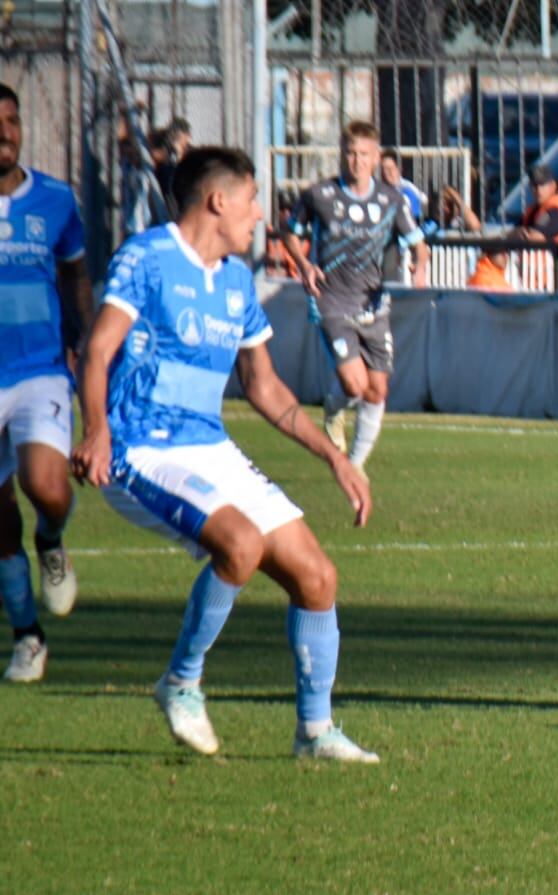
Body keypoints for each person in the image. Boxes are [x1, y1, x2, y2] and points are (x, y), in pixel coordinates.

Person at [71, 146, 378, 762]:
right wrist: (97, 430)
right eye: (253, 200)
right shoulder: (149, 258)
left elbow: (264, 387)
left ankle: (314, 734)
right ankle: (181, 683)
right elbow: (97, 349)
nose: (260, 215)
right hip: (142, 449)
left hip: (209, 448)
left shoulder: (237, 281)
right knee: (239, 544)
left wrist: (335, 457)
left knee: (317, 577)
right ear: (218, 201)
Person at [0, 84, 94, 683]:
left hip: (40, 370)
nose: (4, 132)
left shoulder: (56, 199)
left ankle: (53, 539)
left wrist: (85, 343)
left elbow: (76, 274)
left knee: (46, 487)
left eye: (11, 120)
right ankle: (27, 637)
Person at [279, 121, 429, 471]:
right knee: (355, 383)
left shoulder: (391, 200)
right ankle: (337, 405)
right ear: (341, 154)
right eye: (350, 153)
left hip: (373, 303)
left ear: (376, 157)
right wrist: (303, 263)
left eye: (364, 154)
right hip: (331, 299)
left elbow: (420, 246)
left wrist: (420, 267)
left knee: (377, 390)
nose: (356, 161)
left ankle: (355, 465)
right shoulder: (320, 195)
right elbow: (290, 234)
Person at [517, 165, 558, 246]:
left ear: (553, 185)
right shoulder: (534, 209)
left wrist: (517, 234)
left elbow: (535, 237)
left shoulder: (556, 210)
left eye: (543, 185)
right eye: (534, 185)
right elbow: (516, 230)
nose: (538, 190)